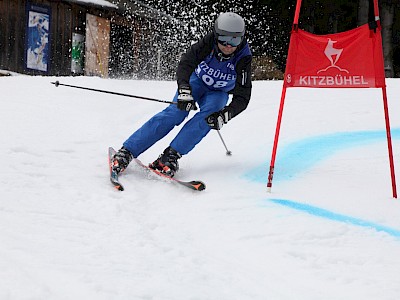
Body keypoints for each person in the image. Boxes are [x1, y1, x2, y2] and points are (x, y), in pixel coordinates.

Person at [112, 12, 252, 177]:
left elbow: (243, 96)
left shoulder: (244, 57)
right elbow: (186, 62)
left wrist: (226, 115)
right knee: (176, 113)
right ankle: (128, 151)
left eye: (235, 40)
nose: (229, 45)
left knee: (211, 115)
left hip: (218, 92)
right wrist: (184, 89)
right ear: (216, 35)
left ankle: (170, 156)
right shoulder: (209, 43)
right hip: (196, 82)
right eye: (224, 39)